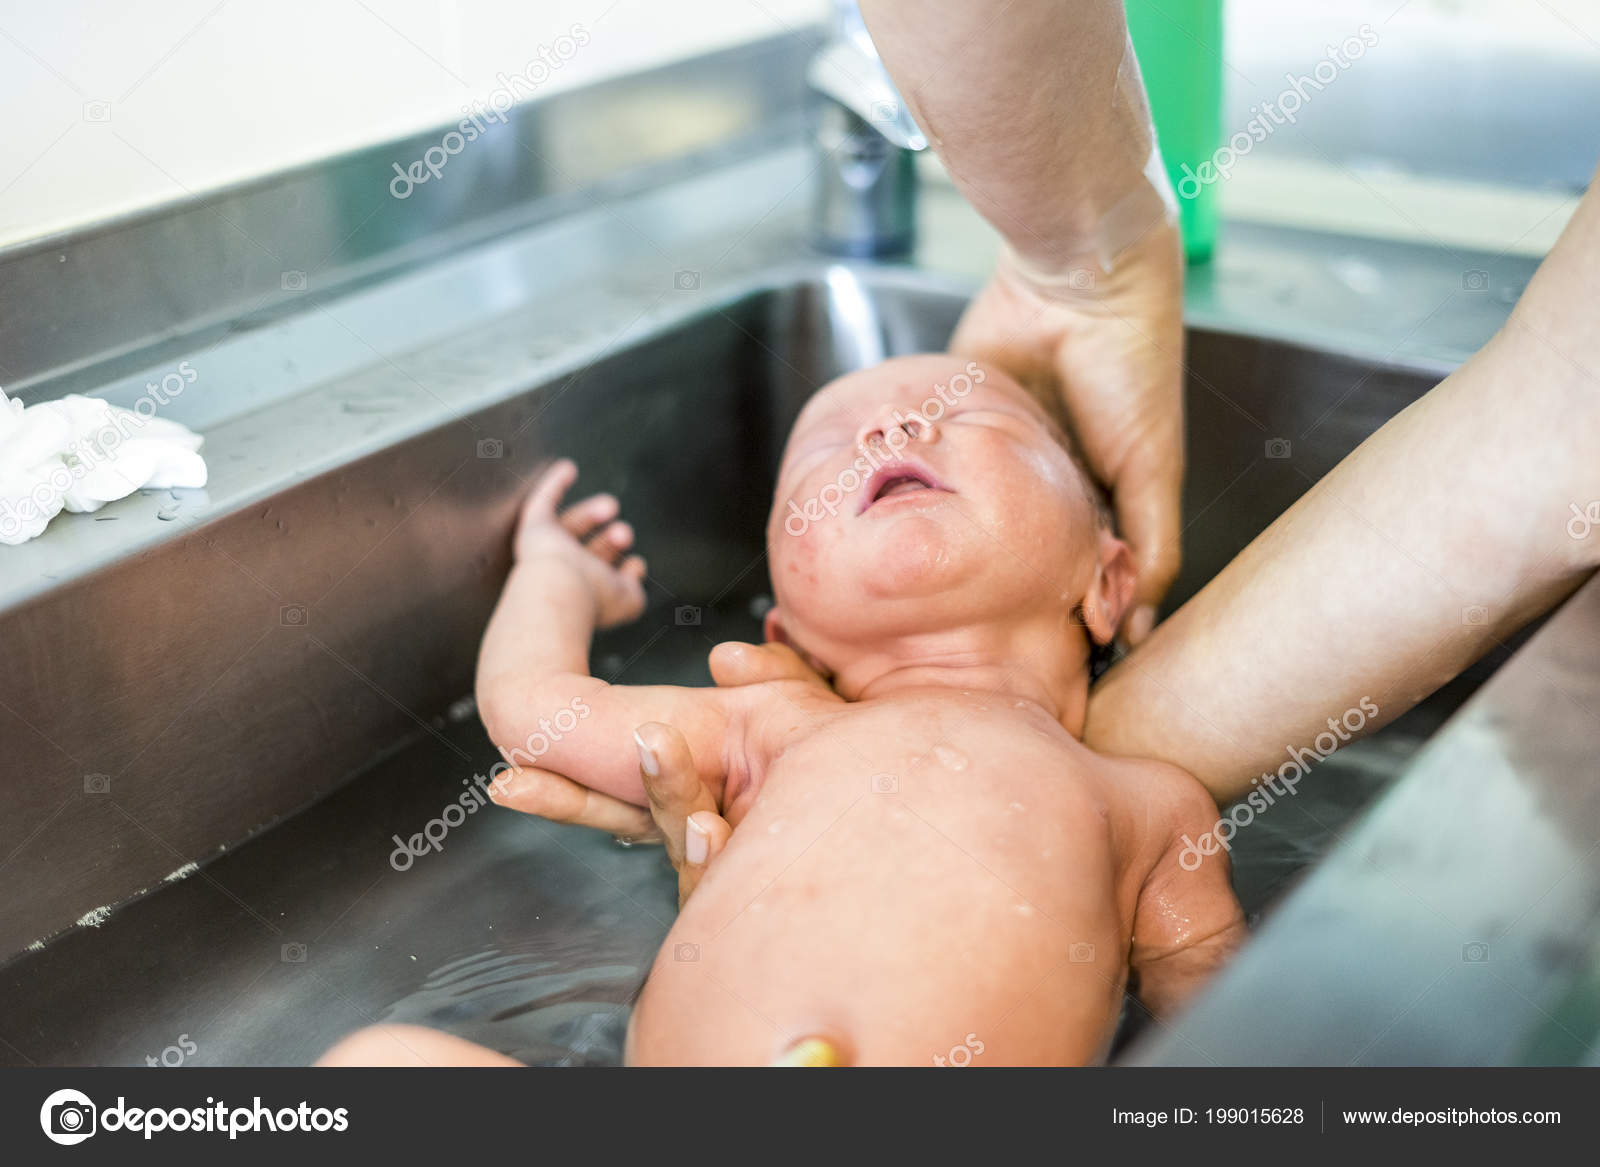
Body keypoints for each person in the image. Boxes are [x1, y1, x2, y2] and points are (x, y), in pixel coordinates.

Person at [323, 353, 1244, 1066]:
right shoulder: (772, 725)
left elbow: (1230, 1019)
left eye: (971, 411)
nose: (888, 425)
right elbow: (535, 709)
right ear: (789, 637)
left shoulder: (1156, 804)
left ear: (1109, 579)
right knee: (373, 1070)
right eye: (824, 450)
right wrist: (558, 578)